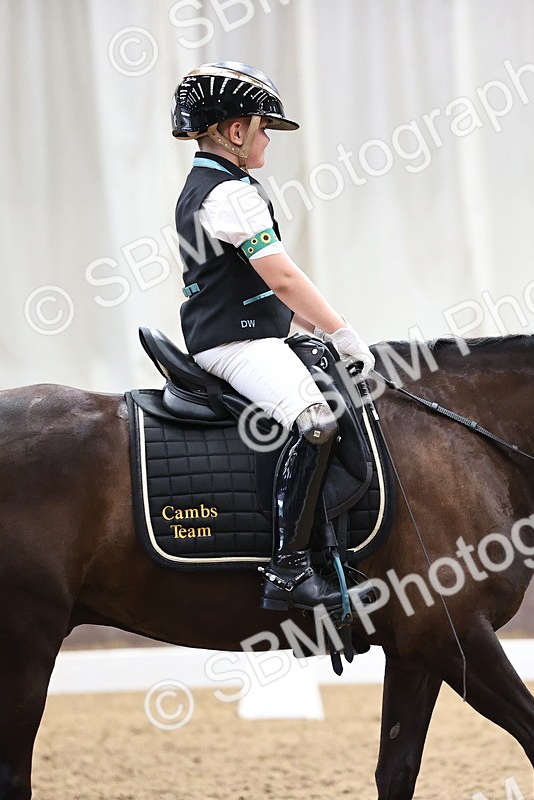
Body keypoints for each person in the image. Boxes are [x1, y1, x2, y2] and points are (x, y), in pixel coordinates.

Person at [170, 61, 375, 612]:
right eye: (262, 128)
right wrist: (344, 331)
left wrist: (312, 330)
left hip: (250, 335)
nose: (266, 139)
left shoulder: (225, 187)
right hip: (236, 346)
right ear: (235, 132)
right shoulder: (229, 195)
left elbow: (266, 289)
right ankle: (288, 572)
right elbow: (282, 276)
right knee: (315, 424)